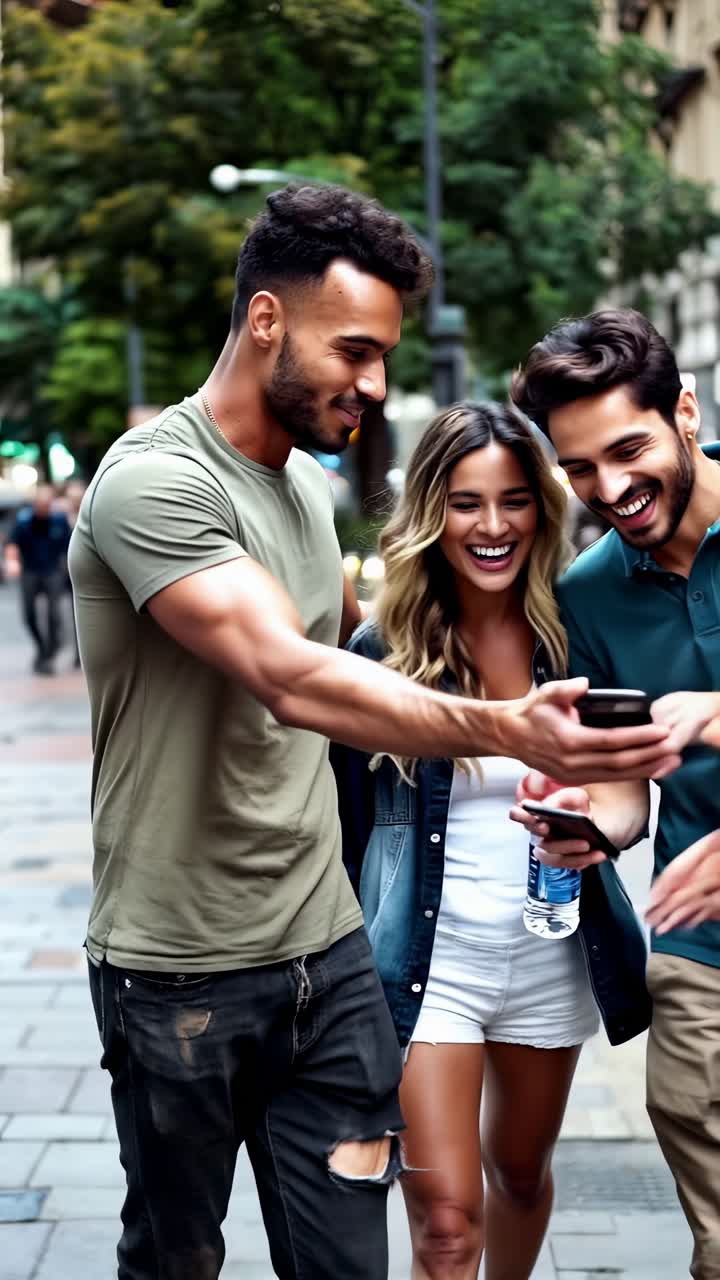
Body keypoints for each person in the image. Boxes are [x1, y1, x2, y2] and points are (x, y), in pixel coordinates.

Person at [69, 190, 678, 1280]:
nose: (376, 383)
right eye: (355, 350)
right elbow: (292, 675)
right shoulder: (155, 481)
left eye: (385, 355)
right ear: (266, 319)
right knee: (175, 1256)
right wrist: (504, 726)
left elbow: (348, 667)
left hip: (332, 954)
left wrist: (597, 804)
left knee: (360, 1256)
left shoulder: (305, 490)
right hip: (181, 972)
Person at [333, 401, 656, 1280]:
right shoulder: (380, 651)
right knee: (445, 1224)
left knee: (518, 1175)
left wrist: (594, 827)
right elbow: (345, 827)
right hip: (425, 967)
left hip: (550, 954)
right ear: (431, 513)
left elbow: (626, 792)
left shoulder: (576, 637)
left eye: (514, 501)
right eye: (466, 503)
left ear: (541, 512)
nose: (492, 526)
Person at [511, 307, 720, 1280]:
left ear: (686, 411)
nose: (610, 489)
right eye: (579, 469)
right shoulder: (588, 594)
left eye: (629, 451)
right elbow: (626, 781)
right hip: (699, 943)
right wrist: (589, 824)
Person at [4, 483, 71, 674]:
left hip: (52, 571)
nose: (44, 508)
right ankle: (41, 647)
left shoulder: (59, 521)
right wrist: (12, 562)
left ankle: (49, 653)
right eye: (41, 504)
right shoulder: (24, 522)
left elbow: (70, 545)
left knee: (54, 614)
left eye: (47, 504)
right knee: (28, 614)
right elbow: (12, 543)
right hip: (30, 571)